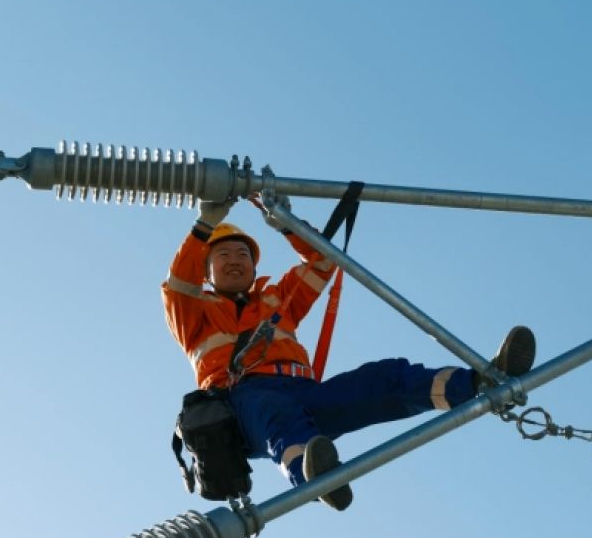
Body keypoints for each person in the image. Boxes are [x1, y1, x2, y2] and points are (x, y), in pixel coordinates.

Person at [162, 197, 535, 510]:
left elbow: (323, 263)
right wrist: (206, 224)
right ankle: (313, 474)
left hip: (306, 392)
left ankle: (479, 381)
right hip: (246, 401)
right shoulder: (194, 312)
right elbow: (178, 284)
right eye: (222, 254)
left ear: (254, 266)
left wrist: (287, 224)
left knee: (384, 378)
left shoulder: (276, 299)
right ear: (207, 270)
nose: (234, 260)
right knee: (277, 415)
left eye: (243, 253)